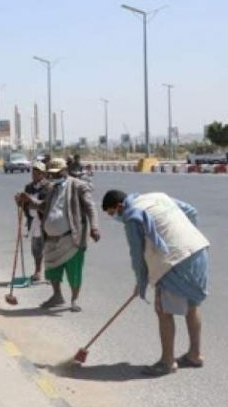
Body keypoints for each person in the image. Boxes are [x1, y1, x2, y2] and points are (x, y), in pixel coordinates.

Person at [102, 190, 210, 376]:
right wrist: (184, 237)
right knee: (192, 305)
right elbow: (191, 211)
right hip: (198, 249)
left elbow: (137, 255)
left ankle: (167, 362)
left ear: (119, 206)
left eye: (113, 213)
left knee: (163, 310)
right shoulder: (158, 197)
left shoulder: (131, 216)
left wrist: (141, 282)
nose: (115, 217)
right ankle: (195, 354)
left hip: (174, 260)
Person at [20, 157, 100, 312]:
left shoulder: (78, 186)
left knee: (74, 271)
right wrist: (28, 200)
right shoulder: (51, 188)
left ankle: (74, 300)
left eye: (57, 173)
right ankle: (57, 296)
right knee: (51, 269)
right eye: (51, 173)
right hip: (51, 239)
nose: (54, 176)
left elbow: (90, 207)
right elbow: (43, 207)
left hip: (71, 238)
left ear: (65, 171)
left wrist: (94, 227)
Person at [16, 161, 47, 282]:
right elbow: (24, 204)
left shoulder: (48, 187)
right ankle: (37, 271)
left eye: (38, 173)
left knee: (48, 248)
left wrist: (29, 199)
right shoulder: (29, 187)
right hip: (33, 221)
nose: (35, 175)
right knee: (36, 248)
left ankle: (51, 273)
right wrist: (19, 201)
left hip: (45, 221)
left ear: (43, 174)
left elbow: (45, 205)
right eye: (33, 172)